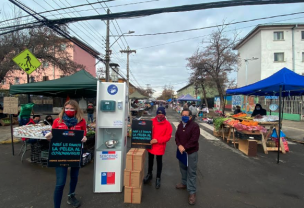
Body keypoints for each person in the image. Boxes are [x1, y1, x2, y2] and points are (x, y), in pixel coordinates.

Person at [45, 100, 87, 208]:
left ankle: (71, 195)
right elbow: (54, 136)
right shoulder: (58, 121)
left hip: (75, 153)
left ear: (76, 109)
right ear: (64, 109)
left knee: (74, 177)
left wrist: (84, 138)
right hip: (60, 154)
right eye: (67, 108)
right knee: (60, 183)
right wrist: (49, 137)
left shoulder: (81, 121)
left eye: (72, 109)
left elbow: (84, 134)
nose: (69, 110)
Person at [175, 109, 200, 205]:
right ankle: (184, 183)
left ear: (190, 117)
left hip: (191, 152)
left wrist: (185, 147)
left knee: (191, 171)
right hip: (181, 152)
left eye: (186, 115)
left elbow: (194, 140)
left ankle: (192, 192)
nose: (184, 116)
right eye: (182, 115)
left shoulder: (195, 126)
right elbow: (177, 137)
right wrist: (179, 145)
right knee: (182, 168)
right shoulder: (180, 125)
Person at [143, 107, 172, 189]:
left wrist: (158, 140)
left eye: (162, 114)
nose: (160, 115)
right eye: (158, 114)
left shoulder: (167, 124)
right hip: (151, 145)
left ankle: (158, 177)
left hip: (160, 146)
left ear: (164, 115)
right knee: (150, 161)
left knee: (159, 162)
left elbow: (167, 137)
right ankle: (149, 174)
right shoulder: (151, 121)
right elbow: (145, 130)